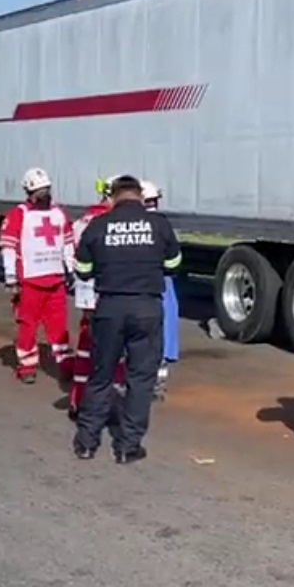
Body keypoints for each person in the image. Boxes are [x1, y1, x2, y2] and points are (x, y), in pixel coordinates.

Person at [72, 175, 183, 464]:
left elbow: (82, 269)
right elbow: (174, 265)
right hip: (146, 308)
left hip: (109, 307)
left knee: (100, 375)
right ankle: (127, 446)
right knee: (140, 379)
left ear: (114, 197)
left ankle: (86, 442)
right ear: (140, 196)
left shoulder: (98, 225)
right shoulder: (159, 224)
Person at [0, 167, 76, 384]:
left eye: (47, 189)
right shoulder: (19, 214)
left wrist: (71, 270)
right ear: (29, 192)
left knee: (59, 327)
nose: (44, 194)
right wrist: (11, 278)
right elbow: (8, 248)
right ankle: (27, 367)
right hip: (29, 282)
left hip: (56, 280)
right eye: (40, 190)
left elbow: (68, 243)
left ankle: (65, 363)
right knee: (28, 326)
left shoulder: (59, 213)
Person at [67, 177, 122, 420]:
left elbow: (69, 258)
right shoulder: (115, 224)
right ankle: (111, 403)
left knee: (86, 351)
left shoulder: (81, 223)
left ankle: (78, 400)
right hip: (111, 295)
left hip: (87, 298)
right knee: (116, 352)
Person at [141, 181, 179, 401]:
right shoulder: (163, 224)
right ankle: (159, 383)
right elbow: (174, 261)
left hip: (140, 286)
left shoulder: (134, 224)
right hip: (163, 283)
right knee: (163, 332)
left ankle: (140, 382)